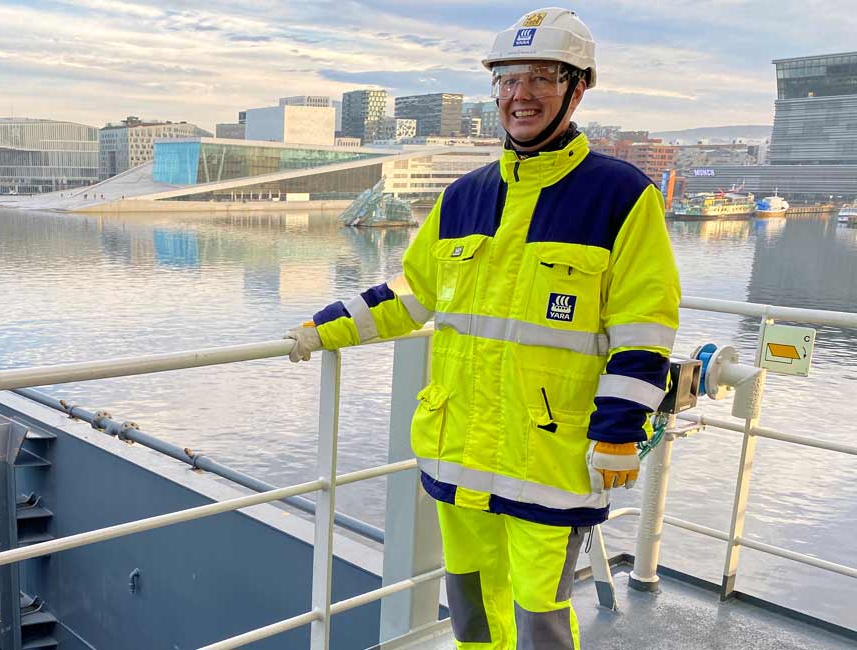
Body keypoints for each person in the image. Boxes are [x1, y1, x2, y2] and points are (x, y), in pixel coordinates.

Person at [286, 7, 680, 649]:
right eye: (506, 79)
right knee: (470, 604)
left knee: (540, 614)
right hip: (460, 450)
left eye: (542, 78)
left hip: (548, 458)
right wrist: (321, 328)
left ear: (578, 88)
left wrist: (616, 436)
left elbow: (645, 328)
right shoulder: (462, 197)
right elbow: (410, 296)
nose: (519, 95)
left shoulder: (620, 197)